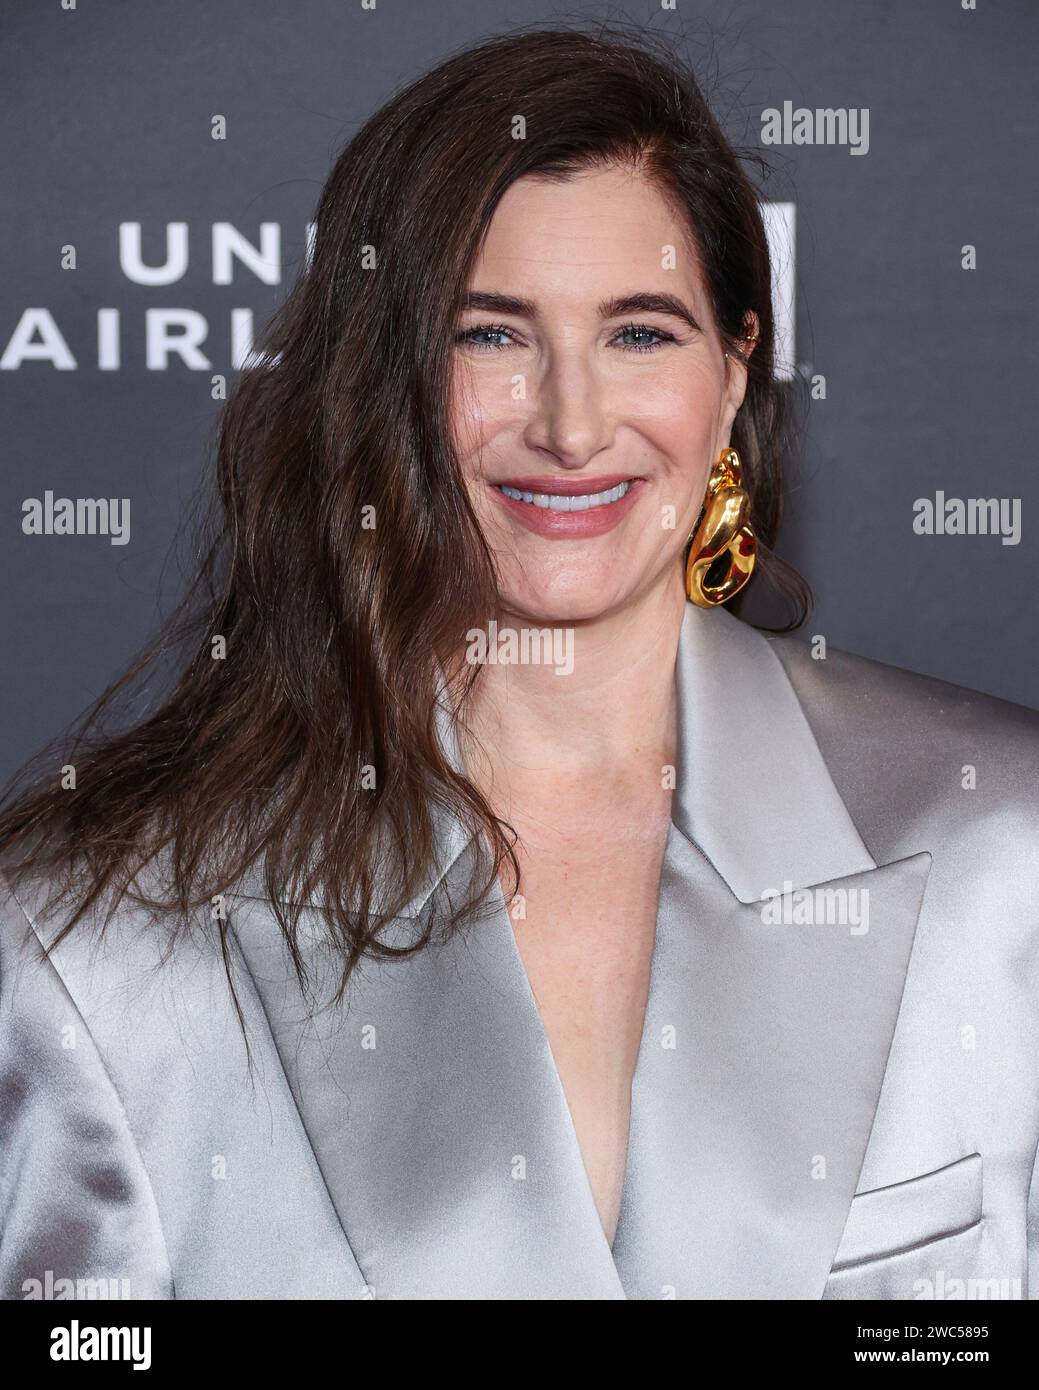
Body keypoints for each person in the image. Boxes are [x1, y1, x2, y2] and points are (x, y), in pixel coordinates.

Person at [1, 27, 1037, 1302]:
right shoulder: (98, 934)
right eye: (490, 335)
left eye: (640, 334)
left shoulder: (1005, 847)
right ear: (384, 384)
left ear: (732, 375)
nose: (569, 422)